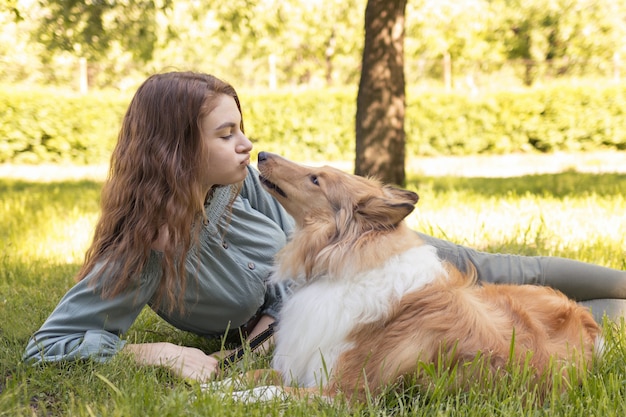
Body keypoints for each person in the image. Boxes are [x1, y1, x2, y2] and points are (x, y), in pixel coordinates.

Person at [23, 71, 626, 383]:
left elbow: (315, 222)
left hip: (359, 265)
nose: (247, 145)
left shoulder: (242, 187)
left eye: (242, 127)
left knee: (506, 273)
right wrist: (149, 353)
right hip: (337, 313)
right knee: (509, 329)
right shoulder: (142, 252)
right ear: (174, 149)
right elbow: (48, 348)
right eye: (226, 135)